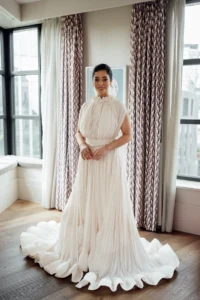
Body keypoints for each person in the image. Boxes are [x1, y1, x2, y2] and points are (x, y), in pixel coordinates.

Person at [20, 63, 179, 292]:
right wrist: (83, 145)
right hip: (87, 163)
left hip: (107, 162)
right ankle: (86, 245)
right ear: (92, 82)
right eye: (97, 79)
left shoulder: (118, 107)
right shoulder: (86, 106)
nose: (100, 83)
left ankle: (106, 250)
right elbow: (78, 132)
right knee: (86, 203)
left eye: (105, 79)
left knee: (106, 204)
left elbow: (127, 135)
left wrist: (106, 148)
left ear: (111, 81)